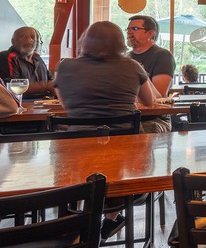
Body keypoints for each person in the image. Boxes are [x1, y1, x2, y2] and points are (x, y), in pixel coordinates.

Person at [54, 21, 154, 241]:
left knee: (90, 162)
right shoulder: (132, 66)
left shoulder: (66, 66)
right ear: (120, 42)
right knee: (118, 161)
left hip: (76, 151)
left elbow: (65, 105)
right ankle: (110, 218)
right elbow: (149, 101)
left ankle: (76, 224)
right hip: (122, 150)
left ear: (84, 41)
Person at [126, 15, 175, 133]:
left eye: (135, 29)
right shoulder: (125, 57)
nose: (129, 32)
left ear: (150, 33)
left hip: (155, 119)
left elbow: (158, 96)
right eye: (128, 29)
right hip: (128, 116)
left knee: (137, 132)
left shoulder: (163, 56)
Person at [0, 26, 54, 99]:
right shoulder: (7, 57)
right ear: (13, 41)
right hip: (20, 103)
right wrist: (45, 86)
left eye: (32, 37)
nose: (28, 40)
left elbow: (50, 81)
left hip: (43, 103)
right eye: (22, 36)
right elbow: (10, 86)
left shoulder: (37, 58)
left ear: (37, 42)